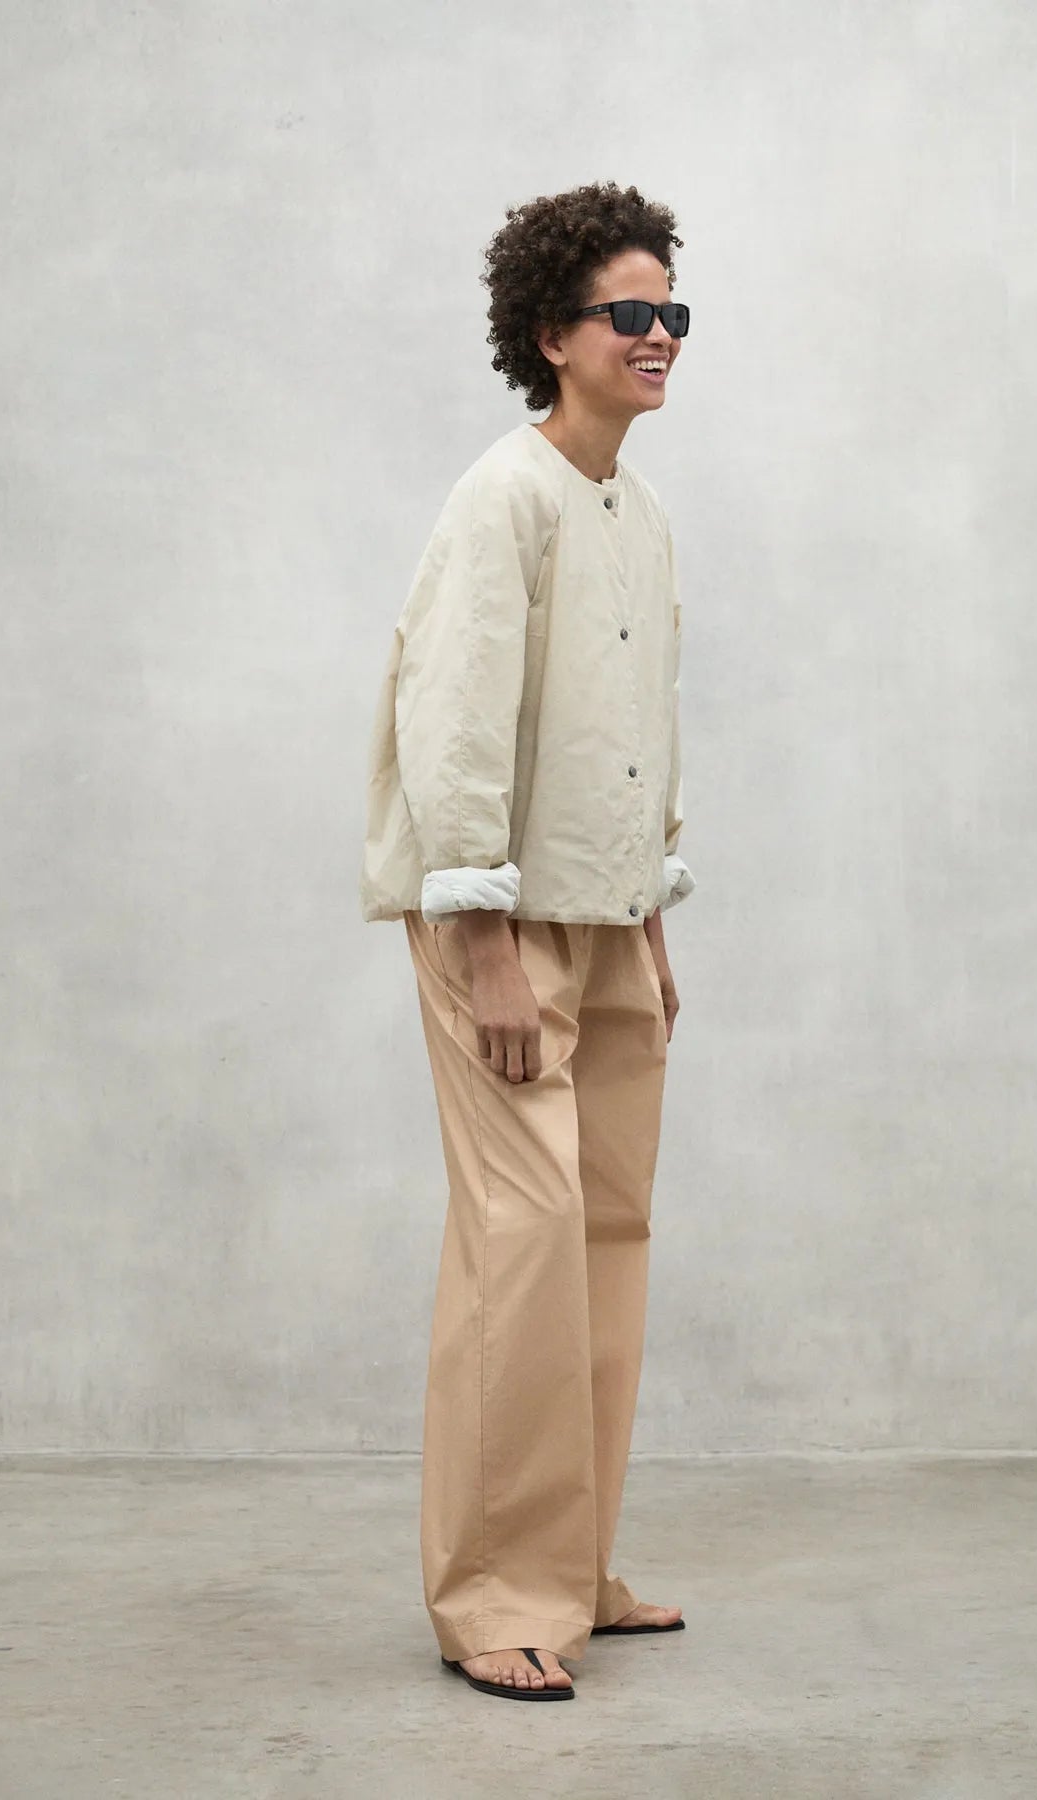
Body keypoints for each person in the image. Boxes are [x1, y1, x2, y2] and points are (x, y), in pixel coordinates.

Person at [359, 180, 695, 1701]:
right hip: (497, 925)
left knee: (606, 1235)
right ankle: (496, 1595)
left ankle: (574, 1563)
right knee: (522, 1246)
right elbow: (454, 726)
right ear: (554, 334)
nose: (660, 334)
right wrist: (483, 940)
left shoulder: (638, 513)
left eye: (673, 311)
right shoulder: (501, 497)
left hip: (607, 919)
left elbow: (639, 733)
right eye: (631, 312)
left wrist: (652, 919)